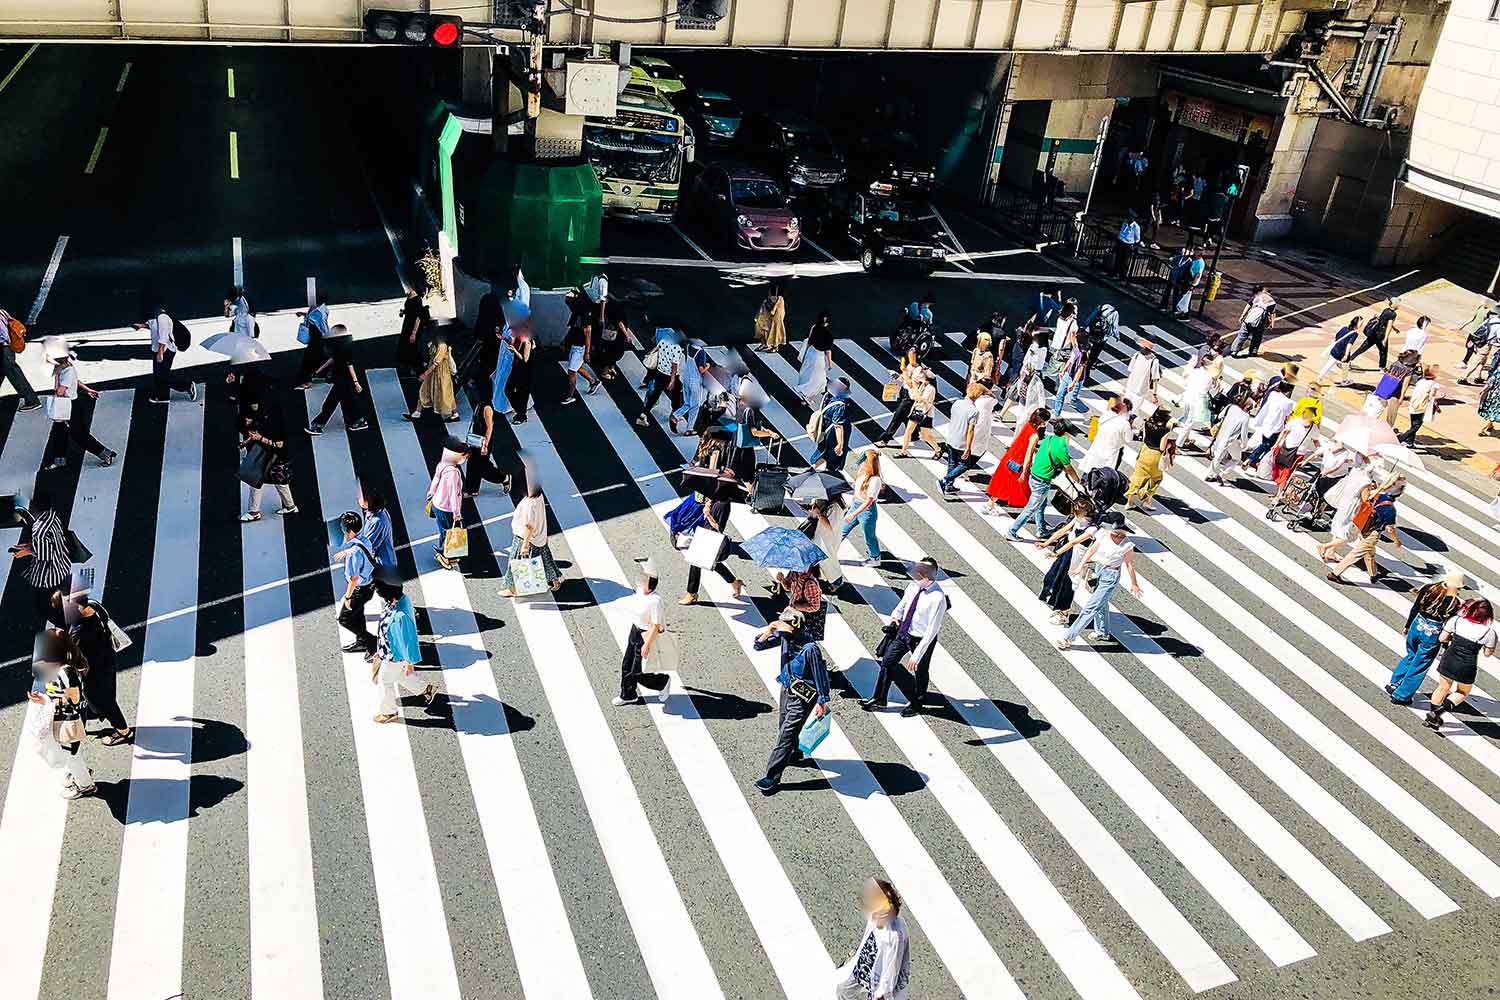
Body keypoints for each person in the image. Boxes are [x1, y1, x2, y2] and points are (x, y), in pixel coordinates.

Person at [751, 609, 830, 795]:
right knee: (783, 725)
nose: (782, 631)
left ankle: (772, 777)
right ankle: (794, 753)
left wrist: (822, 701)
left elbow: (821, 676)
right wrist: (770, 629)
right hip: (787, 687)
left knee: (786, 735)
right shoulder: (786, 636)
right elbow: (758, 646)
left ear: (796, 627)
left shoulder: (810, 649)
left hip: (803, 697)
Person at [861, 557, 947, 717]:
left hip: (921, 640)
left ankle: (917, 702)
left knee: (920, 671)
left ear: (928, 577)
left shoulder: (938, 598)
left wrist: (916, 655)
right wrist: (895, 616)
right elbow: (903, 605)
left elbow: (931, 631)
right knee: (887, 661)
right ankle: (879, 698)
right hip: (904, 632)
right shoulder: (913, 586)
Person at [1055, 511, 1142, 648]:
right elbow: (1091, 551)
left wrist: (1134, 584)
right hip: (1097, 570)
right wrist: (1080, 567)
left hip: (1110, 576)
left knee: (1091, 607)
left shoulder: (1127, 545)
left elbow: (1130, 565)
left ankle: (1068, 638)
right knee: (1101, 603)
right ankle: (1102, 632)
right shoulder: (1103, 535)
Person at [65, 579, 133, 745]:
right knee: (107, 693)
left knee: (102, 700)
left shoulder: (79, 630)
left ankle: (124, 731)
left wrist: (72, 683)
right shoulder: (95, 606)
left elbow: (73, 660)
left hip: (94, 670)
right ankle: (99, 711)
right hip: (106, 659)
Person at [27, 639, 95, 799]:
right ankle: (82, 774)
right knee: (72, 754)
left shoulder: (65, 672)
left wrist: (48, 702)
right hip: (63, 718)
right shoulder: (57, 671)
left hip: (69, 720)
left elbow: (74, 698)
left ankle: (85, 785)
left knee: (72, 757)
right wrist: (44, 700)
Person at [1387, 569, 1466, 706]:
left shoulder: (1429, 588)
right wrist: (1446, 645)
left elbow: (1415, 607)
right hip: (1433, 633)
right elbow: (1449, 626)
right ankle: (1402, 695)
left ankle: (1395, 683)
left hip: (1417, 624)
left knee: (1411, 655)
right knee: (1420, 664)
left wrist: (1408, 625)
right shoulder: (1453, 602)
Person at [39, 338, 115, 471]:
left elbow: (59, 391)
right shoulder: (66, 368)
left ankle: (106, 454)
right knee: (59, 433)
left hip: (70, 406)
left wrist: (56, 376)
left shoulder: (66, 371)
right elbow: (76, 381)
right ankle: (60, 459)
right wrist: (88, 390)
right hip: (66, 405)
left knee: (79, 435)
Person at [370, 580, 436, 723]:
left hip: (394, 655)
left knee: (384, 681)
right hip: (388, 649)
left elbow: (408, 640)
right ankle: (426, 689)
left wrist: (409, 662)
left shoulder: (401, 616)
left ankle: (389, 713)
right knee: (399, 676)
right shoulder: (399, 599)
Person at [1425, 599, 1497, 729]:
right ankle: (1437, 713)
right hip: (1467, 665)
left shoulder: (1456, 620)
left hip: (1449, 658)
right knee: (1462, 692)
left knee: (1442, 687)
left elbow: (1442, 638)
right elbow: (1487, 653)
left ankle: (1431, 717)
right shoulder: (1489, 632)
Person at [834, 878, 911, 1000]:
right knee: (843, 991)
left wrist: (882, 992)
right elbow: (866, 938)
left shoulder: (894, 936)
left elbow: (891, 970)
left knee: (845, 992)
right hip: (864, 965)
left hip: (878, 978)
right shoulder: (875, 915)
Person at [1007, 419, 1079, 540]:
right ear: (1066, 433)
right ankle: (1012, 531)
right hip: (1042, 481)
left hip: (1034, 475)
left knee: (1042, 504)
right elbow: (1068, 468)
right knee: (1031, 508)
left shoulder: (1049, 439)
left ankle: (1041, 529)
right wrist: (1077, 479)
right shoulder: (1061, 447)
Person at [613, 559, 671, 706]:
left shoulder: (655, 601)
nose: (640, 582)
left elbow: (655, 625)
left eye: (644, 580)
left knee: (639, 672)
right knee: (627, 664)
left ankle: (662, 682)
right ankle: (628, 694)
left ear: (650, 585)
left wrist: (647, 645)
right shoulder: (640, 591)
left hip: (647, 636)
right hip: (635, 631)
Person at [11, 489, 71, 629]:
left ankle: (66, 626)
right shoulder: (52, 515)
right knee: (58, 596)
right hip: (61, 564)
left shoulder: (39, 530)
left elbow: (45, 555)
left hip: (49, 575)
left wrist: (26, 552)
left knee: (43, 607)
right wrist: (29, 546)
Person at [1327, 478, 1405, 584]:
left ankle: (1373, 574)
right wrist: (1396, 541)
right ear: (1398, 496)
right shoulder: (1390, 509)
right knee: (1356, 554)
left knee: (1369, 552)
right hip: (1373, 533)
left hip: (1364, 526)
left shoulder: (1378, 495)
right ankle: (1335, 573)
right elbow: (1389, 528)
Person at [1038, 498, 1097, 625]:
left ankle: (1064, 612)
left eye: (1076, 510)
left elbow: (1074, 542)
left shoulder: (1092, 528)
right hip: (1066, 550)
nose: (1074, 511)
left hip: (1076, 554)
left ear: (1085, 512)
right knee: (1053, 575)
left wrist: (1056, 553)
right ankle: (1050, 596)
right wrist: (1046, 543)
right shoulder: (1077, 519)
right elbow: (1062, 531)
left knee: (1067, 583)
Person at [497, 482, 563, 596]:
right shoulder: (539, 497)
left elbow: (528, 526)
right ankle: (555, 580)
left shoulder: (528, 503)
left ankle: (512, 589)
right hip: (539, 536)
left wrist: (524, 545)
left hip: (525, 538)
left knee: (515, 562)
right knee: (545, 560)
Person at [239, 397, 297, 522]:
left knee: (258, 482)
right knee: (279, 483)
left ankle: (254, 512)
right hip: (272, 456)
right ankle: (290, 506)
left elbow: (279, 444)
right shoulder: (269, 421)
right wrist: (247, 441)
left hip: (275, 457)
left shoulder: (278, 427)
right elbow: (257, 434)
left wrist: (260, 439)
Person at [680, 494, 746, 604]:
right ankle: (734, 582)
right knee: (712, 562)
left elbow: (719, 527)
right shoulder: (715, 499)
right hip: (705, 532)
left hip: (711, 536)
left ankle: (692, 594)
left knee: (696, 562)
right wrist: (707, 504)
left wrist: (708, 513)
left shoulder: (723, 504)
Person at [305, 325, 369, 434]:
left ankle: (318, 425)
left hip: (344, 381)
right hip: (340, 379)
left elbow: (350, 367)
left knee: (330, 404)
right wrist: (318, 371)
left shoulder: (346, 349)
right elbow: (333, 359)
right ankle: (359, 421)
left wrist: (356, 383)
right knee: (348, 402)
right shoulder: (339, 347)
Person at [332, 511, 380, 654]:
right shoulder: (364, 539)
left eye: (343, 529)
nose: (342, 532)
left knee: (344, 619)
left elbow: (353, 579)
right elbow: (360, 550)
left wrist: (347, 597)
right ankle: (361, 641)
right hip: (369, 586)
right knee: (358, 614)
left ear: (350, 531)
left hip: (359, 589)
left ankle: (370, 641)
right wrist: (347, 552)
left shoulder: (353, 553)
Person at [985, 407, 1049, 512]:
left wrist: (1035, 449)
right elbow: (1028, 454)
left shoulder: (1027, 425)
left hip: (1010, 457)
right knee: (1025, 489)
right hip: (1020, 463)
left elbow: (1024, 443)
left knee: (1003, 483)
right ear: (1042, 422)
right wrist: (1024, 472)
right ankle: (1030, 512)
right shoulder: (1035, 436)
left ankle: (989, 504)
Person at [461, 378, 515, 500]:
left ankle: (504, 478)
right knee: (472, 463)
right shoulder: (480, 404)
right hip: (477, 439)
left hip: (483, 441)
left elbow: (490, 427)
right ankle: (472, 489)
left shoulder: (487, 408)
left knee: (482, 467)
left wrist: (485, 444)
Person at [135, 306, 197, 403]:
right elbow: (153, 326)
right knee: (158, 375)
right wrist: (142, 326)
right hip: (158, 350)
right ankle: (163, 397)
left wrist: (160, 353)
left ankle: (187, 386)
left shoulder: (163, 318)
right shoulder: (154, 317)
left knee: (163, 376)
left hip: (166, 350)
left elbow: (163, 337)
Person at [937, 383, 988, 494]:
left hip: (951, 437)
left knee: (952, 463)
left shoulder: (957, 403)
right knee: (964, 465)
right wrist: (968, 448)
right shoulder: (974, 411)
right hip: (961, 441)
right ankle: (945, 480)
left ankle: (949, 486)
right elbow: (970, 431)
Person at [426, 439, 468, 572]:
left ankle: (447, 553)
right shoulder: (453, 473)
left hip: (438, 503)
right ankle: (443, 554)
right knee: (447, 531)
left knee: (444, 530)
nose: (465, 458)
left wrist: (431, 492)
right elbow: (453, 494)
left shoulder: (442, 464)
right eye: (464, 456)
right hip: (446, 508)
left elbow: (436, 479)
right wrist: (457, 513)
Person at [1125, 407, 1176, 510]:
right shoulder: (1165, 430)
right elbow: (1162, 447)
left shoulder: (1147, 423)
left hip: (1144, 451)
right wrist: (1170, 446)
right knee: (1155, 479)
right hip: (1155, 455)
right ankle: (1147, 501)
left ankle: (1129, 502)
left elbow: (1144, 439)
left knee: (1137, 477)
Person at [1204, 379, 1254, 483]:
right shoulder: (1245, 417)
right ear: (1247, 407)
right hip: (1232, 441)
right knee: (1236, 458)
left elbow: (1220, 416)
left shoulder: (1231, 407)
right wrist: (1244, 444)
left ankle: (1211, 475)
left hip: (1221, 436)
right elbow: (1244, 433)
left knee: (1217, 457)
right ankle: (1222, 473)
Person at [996, 326, 1047, 425]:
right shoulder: (1034, 344)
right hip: (1025, 372)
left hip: (1032, 374)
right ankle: (1002, 414)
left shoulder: (1042, 349)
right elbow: (1027, 358)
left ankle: (1024, 420)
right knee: (1014, 392)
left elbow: (1037, 363)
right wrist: (1022, 370)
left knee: (1027, 398)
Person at [841, 448, 885, 565]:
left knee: (869, 537)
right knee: (841, 531)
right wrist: (851, 505)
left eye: (864, 462)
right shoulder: (862, 472)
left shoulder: (875, 480)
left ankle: (875, 558)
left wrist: (853, 514)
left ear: (869, 463)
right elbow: (857, 491)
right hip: (856, 505)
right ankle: (829, 553)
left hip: (867, 511)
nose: (861, 464)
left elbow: (868, 501)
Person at [560, 292, 603, 404]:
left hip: (580, 347)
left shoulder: (584, 316)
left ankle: (570, 395)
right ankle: (593, 381)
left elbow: (588, 334)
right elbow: (572, 329)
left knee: (571, 371)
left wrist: (587, 352)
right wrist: (565, 340)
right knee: (576, 367)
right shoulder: (576, 313)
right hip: (575, 345)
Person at [406, 329, 457, 422]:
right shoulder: (434, 344)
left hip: (442, 374)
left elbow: (436, 363)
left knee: (445, 395)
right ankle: (417, 412)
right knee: (424, 390)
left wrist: (425, 374)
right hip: (433, 373)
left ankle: (454, 413)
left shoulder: (442, 346)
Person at [638, 328, 685, 428]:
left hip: (660, 372)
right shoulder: (677, 348)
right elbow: (674, 366)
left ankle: (643, 414)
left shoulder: (663, 341)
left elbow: (655, 350)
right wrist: (672, 380)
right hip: (670, 375)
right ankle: (675, 414)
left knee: (655, 394)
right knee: (676, 394)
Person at [1243, 382, 1295, 468]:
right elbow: (1288, 414)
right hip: (1277, 427)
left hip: (1267, 423)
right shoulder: (1288, 402)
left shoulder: (1273, 394)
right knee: (1267, 446)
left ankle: (1258, 461)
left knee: (1265, 444)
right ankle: (1252, 459)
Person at [0, 305, 42, 411]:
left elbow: (4, 336)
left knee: (15, 376)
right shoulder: (2, 312)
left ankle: (32, 401)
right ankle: (32, 400)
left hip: (4, 349)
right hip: (7, 350)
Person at [1363, 349, 1421, 426]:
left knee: (1377, 409)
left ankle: (1368, 423)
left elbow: (1387, 376)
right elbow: (1405, 384)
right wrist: (1402, 397)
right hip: (1396, 393)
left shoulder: (1395, 363)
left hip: (1386, 389)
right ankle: (1388, 429)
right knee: (1392, 414)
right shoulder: (1409, 370)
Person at [1079, 395, 1133, 475]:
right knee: (1103, 476)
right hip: (1110, 454)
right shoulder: (1125, 424)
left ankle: (1084, 482)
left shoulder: (1106, 415)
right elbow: (1128, 439)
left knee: (1090, 468)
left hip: (1097, 448)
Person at [810, 378, 853, 473]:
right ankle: (827, 473)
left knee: (823, 452)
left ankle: (815, 468)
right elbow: (838, 426)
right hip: (833, 435)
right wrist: (840, 444)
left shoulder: (827, 396)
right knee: (833, 457)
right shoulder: (840, 406)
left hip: (825, 430)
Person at [670, 338, 712, 434]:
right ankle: (689, 429)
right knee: (695, 405)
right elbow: (701, 370)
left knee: (687, 403)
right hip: (695, 381)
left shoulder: (689, 347)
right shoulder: (701, 353)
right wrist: (708, 366)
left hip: (686, 379)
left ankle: (675, 416)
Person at [805, 497, 846, 591]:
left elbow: (830, 526)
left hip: (827, 538)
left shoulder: (835, 508)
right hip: (818, 536)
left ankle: (837, 581)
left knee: (827, 561)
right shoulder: (819, 500)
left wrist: (818, 513)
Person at [1346, 300, 1398, 370]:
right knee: (1383, 351)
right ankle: (1382, 367)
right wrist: (1385, 339)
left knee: (1363, 347)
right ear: (1395, 305)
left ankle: (1350, 360)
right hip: (1381, 335)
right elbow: (1388, 326)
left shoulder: (1386, 310)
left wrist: (1395, 329)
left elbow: (1383, 320)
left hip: (1374, 333)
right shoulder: (1393, 314)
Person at [796, 312, 834, 405]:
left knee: (807, 374)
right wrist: (830, 364)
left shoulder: (814, 328)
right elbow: (828, 351)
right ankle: (806, 394)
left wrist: (804, 354)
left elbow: (809, 341)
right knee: (819, 379)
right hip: (818, 356)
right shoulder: (828, 333)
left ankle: (806, 394)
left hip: (810, 352)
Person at [1314, 317, 1363, 387]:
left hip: (1335, 349)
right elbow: (1349, 345)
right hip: (1342, 353)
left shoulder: (1344, 328)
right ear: (1356, 324)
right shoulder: (1354, 334)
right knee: (1345, 367)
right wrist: (1346, 355)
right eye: (1361, 323)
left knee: (1328, 365)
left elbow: (1337, 337)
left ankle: (1319, 378)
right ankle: (1344, 381)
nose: (1361, 324)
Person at [1229, 286, 1276, 358]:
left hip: (1248, 319)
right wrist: (1272, 324)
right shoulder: (1272, 302)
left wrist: (1242, 316)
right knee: (1257, 337)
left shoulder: (1256, 297)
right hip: (1260, 323)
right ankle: (1253, 352)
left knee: (1242, 335)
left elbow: (1247, 306)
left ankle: (1234, 351)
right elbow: (1272, 313)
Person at [1398, 364, 1439, 446]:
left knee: (1413, 423)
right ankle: (1401, 438)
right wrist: (1439, 399)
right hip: (1421, 406)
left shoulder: (1420, 381)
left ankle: (1410, 442)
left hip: (1413, 404)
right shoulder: (1434, 384)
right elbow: (1431, 397)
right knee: (1416, 426)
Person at [395, 282, 428, 374]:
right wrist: (404, 312)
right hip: (407, 325)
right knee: (406, 345)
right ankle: (416, 365)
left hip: (414, 326)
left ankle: (418, 366)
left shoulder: (417, 300)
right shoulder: (410, 296)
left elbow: (418, 318)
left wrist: (414, 333)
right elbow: (410, 310)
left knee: (411, 347)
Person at [1122, 338, 1161, 415]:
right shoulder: (1136, 355)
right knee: (1123, 410)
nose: (1140, 348)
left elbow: (1155, 379)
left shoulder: (1154, 361)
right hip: (1130, 389)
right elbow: (1131, 372)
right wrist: (1126, 386)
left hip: (1140, 393)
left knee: (1132, 413)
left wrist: (1154, 395)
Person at [506, 324, 535, 422]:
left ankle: (521, 415)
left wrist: (514, 350)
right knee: (508, 389)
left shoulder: (527, 342)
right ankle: (519, 410)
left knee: (522, 393)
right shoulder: (518, 340)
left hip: (524, 371)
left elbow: (525, 359)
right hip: (516, 368)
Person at [753, 283, 787, 352]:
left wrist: (774, 309)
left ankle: (775, 346)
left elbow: (776, 306)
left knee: (776, 328)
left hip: (777, 313)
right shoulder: (769, 297)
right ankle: (764, 344)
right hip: (768, 311)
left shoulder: (779, 299)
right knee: (761, 326)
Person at [1112, 210, 1141, 277]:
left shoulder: (1136, 227)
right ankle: (1115, 272)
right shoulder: (1125, 223)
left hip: (1128, 244)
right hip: (1121, 242)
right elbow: (1121, 232)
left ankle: (1123, 275)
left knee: (1125, 261)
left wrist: (1133, 244)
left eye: (1130, 217)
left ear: (1133, 218)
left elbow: (1137, 238)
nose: (1128, 218)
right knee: (1118, 258)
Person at [1480, 356, 1500, 437]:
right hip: (1495, 396)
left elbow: (1491, 381)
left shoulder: (1498, 370)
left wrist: (1484, 389)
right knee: (1492, 412)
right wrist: (1484, 389)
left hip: (1495, 395)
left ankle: (1486, 427)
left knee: (1492, 412)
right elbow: (1491, 381)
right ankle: (1487, 427)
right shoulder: (1498, 371)